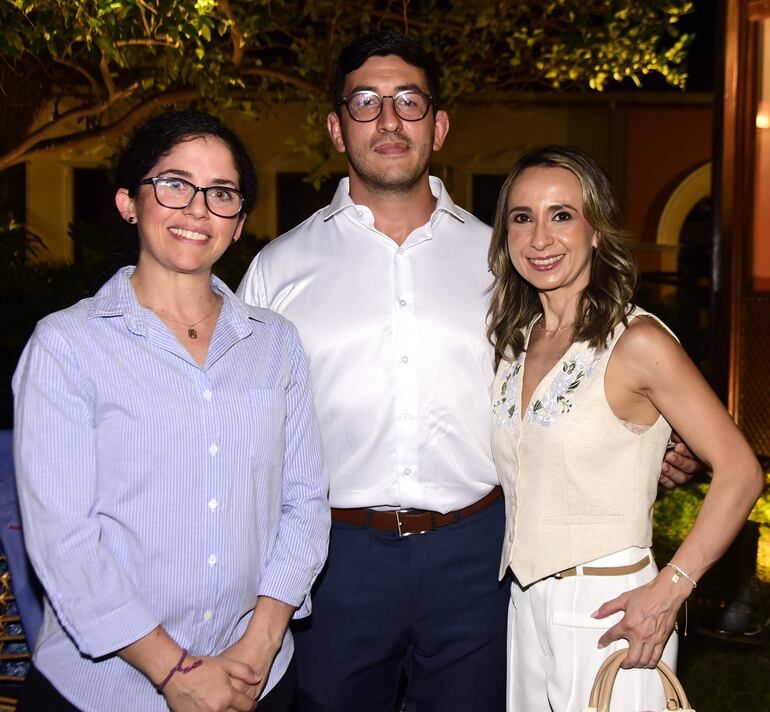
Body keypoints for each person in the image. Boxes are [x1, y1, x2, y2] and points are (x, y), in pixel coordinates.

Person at [237, 31, 700, 712]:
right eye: (366, 102)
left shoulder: (505, 261)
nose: (389, 120)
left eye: (409, 102)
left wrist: (644, 441)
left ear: (440, 125)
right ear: (337, 128)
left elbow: (568, 380)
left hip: (479, 560)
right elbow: (242, 423)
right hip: (337, 561)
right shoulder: (278, 271)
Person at [13, 110, 329, 712]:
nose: (197, 208)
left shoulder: (275, 343)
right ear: (130, 202)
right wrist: (175, 671)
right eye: (174, 183)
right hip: (105, 691)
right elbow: (65, 541)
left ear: (239, 224)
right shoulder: (67, 346)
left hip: (256, 679)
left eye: (222, 193)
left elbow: (305, 502)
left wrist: (256, 652)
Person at [487, 145, 764, 711]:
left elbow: (741, 471)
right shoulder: (517, 341)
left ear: (596, 231)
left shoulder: (637, 341)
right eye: (523, 217)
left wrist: (671, 590)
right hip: (522, 603)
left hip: (613, 607)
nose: (540, 237)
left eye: (562, 215)